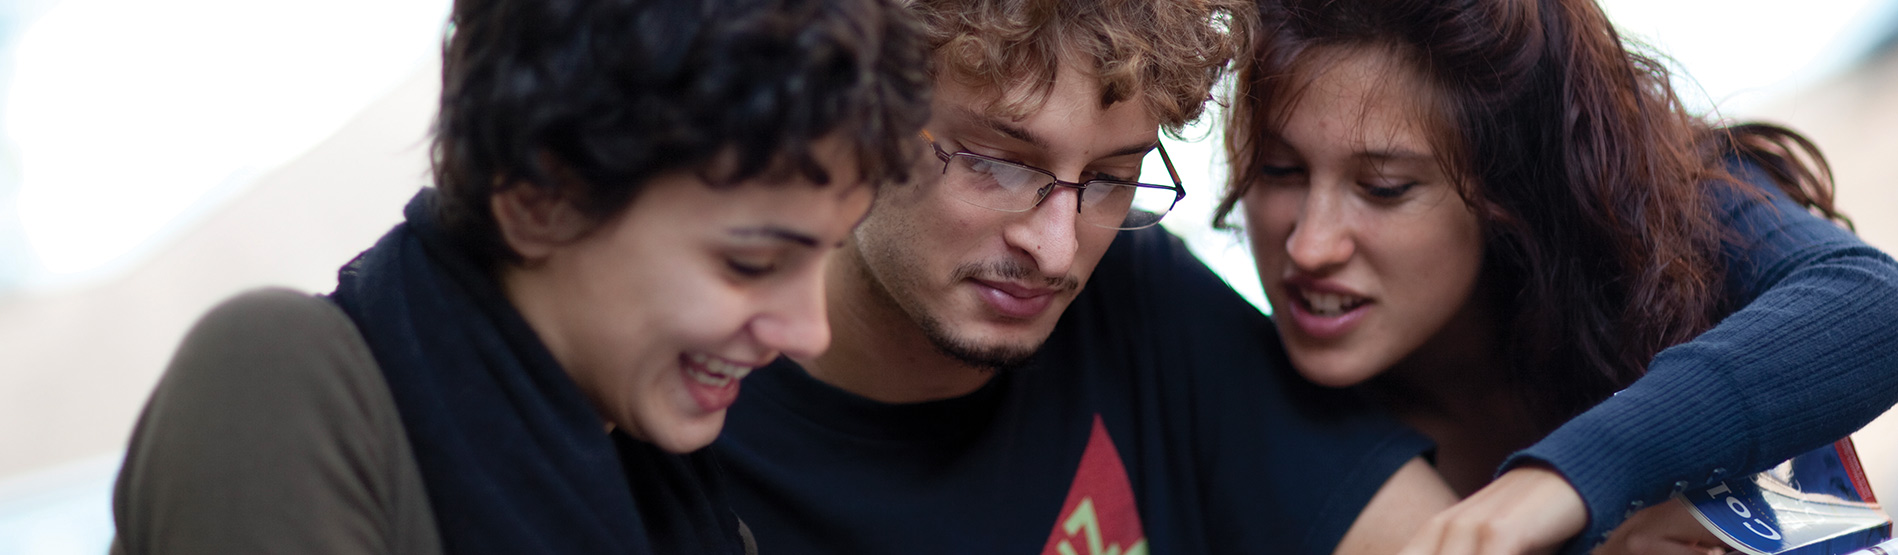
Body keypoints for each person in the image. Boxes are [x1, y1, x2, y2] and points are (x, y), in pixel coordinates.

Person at [108, 0, 929, 552]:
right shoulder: (279, 381)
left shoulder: (683, 502)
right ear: (540, 197)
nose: (810, 328)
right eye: (750, 262)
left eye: (826, 252)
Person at [713, 1, 1466, 553]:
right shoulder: (682, 402)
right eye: (998, 162)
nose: (1055, 246)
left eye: (1110, 177)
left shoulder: (1142, 301)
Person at [1215, 0, 1898, 552]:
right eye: (1278, 170)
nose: (1310, 245)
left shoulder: (1675, 203)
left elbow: (1872, 303)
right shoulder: (1224, 387)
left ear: (1510, 187)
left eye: (1385, 187)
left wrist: (1564, 482)